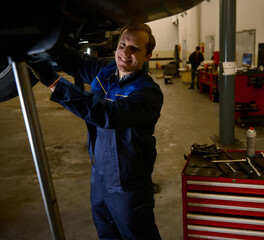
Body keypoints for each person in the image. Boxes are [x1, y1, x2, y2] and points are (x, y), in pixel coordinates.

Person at [28, 23, 163, 240]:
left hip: (128, 183)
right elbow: (75, 61)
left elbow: (106, 114)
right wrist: (50, 43)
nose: (125, 53)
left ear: (147, 56)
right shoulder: (106, 71)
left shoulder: (148, 94)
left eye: (135, 49)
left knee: (137, 235)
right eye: (122, 45)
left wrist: (54, 82)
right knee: (106, 232)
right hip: (99, 174)